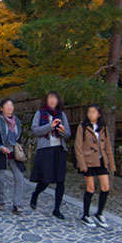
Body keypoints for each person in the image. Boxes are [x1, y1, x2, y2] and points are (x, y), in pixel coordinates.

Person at [30, 91, 71, 219]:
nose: (52, 100)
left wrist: (63, 132)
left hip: (59, 149)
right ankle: (35, 194)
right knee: (46, 179)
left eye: (55, 98)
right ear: (46, 100)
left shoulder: (62, 115)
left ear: (58, 100)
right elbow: (35, 130)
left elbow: (68, 135)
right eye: (50, 98)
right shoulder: (40, 113)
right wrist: (50, 126)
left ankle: (56, 209)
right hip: (45, 149)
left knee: (60, 180)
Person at [74, 104, 116, 228]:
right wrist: (82, 164)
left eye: (93, 112)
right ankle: (86, 214)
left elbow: (108, 146)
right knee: (90, 187)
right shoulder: (83, 126)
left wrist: (111, 164)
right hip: (88, 161)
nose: (91, 114)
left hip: (101, 160)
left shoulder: (103, 128)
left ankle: (99, 213)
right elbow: (78, 146)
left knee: (105, 186)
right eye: (89, 112)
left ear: (99, 114)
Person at [0, 97, 26, 214]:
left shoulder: (18, 122)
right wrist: (1, 147)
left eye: (11, 105)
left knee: (19, 177)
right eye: (7, 105)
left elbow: (18, 137)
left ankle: (17, 204)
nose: (10, 107)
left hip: (13, 153)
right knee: (0, 178)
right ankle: (0, 201)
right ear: (1, 108)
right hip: (1, 152)